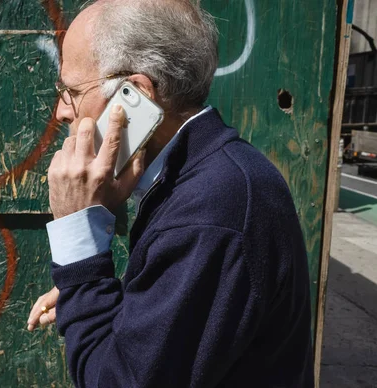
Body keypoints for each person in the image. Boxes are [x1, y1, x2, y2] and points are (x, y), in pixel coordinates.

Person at [27, 0, 314, 386]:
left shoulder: (210, 213)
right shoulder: (208, 176)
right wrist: (90, 296)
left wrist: (77, 244)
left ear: (135, 96)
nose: (62, 111)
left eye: (71, 91)